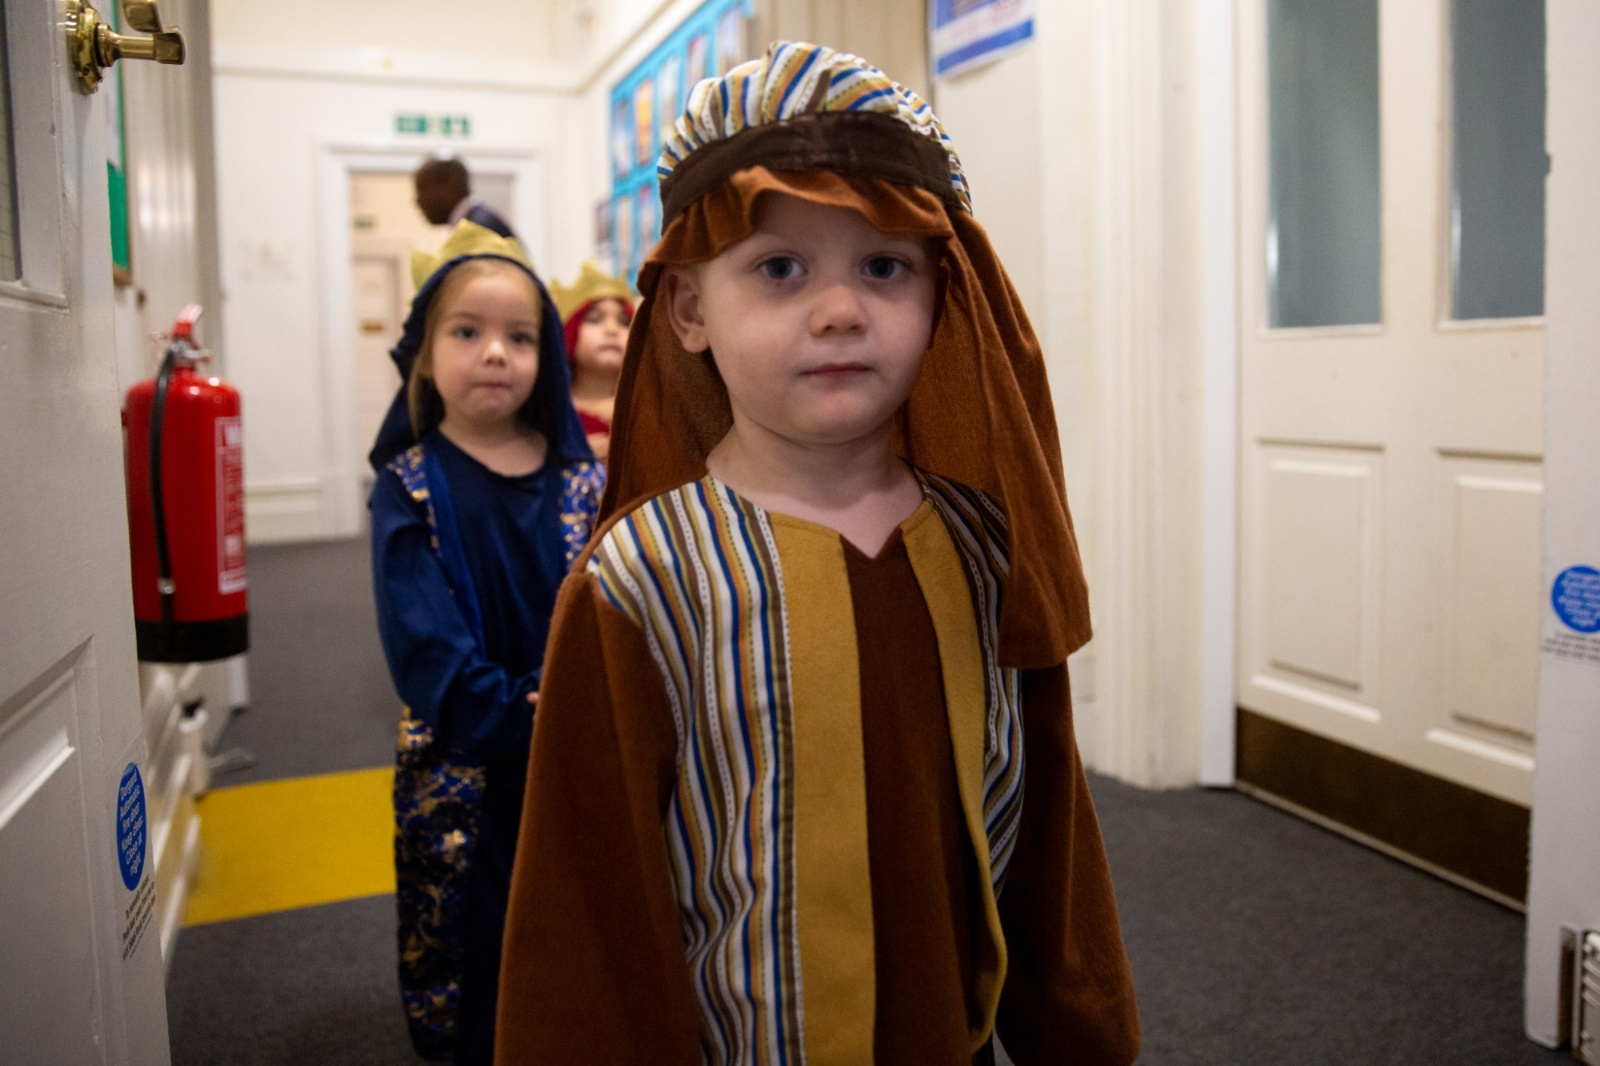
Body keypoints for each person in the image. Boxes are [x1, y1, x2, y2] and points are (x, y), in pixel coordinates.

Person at [495, 41, 1141, 1066]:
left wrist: (1079, 1030)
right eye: (779, 268)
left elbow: (1046, 828)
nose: (840, 310)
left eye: (883, 267)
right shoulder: (643, 580)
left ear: (941, 296)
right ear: (689, 310)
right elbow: (589, 908)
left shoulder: (981, 548)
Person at [368, 220, 602, 1063]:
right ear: (425, 357)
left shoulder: (584, 481)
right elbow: (423, 646)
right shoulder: (407, 488)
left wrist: (577, 705)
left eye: (520, 337)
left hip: (575, 752)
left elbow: (612, 610)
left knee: (577, 924)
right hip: (465, 765)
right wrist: (522, 712)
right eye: (467, 332)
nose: (496, 353)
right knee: (478, 948)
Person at [550, 260, 635, 460]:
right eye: (595, 319)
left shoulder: (649, 410)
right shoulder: (549, 413)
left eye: (624, 322)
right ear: (568, 333)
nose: (612, 330)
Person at [414, 156, 515, 238]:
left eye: (422, 189)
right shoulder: (475, 224)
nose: (417, 200)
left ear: (450, 187)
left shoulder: (479, 230)